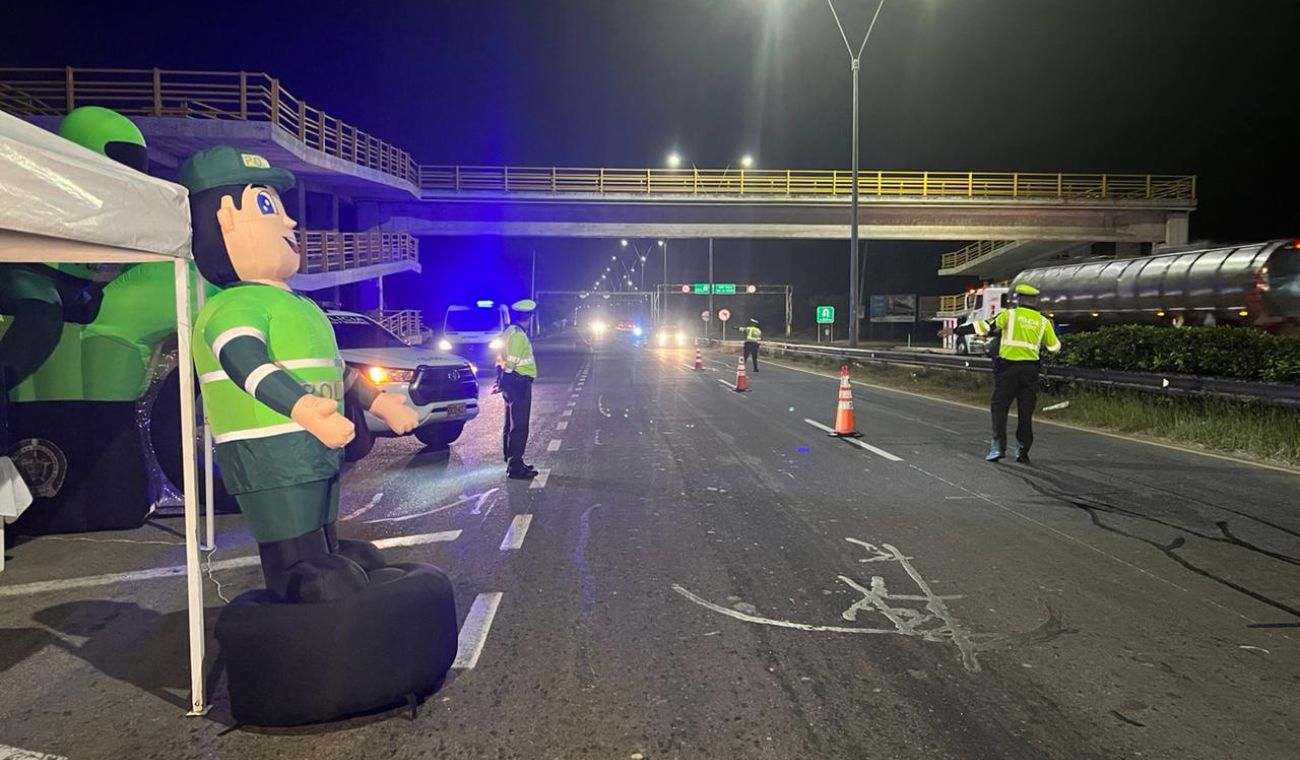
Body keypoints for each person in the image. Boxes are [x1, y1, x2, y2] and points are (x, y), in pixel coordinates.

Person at [939, 283, 1060, 463]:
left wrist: (956, 330)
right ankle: (1023, 449)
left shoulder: (1009, 315)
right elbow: (1055, 347)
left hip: (1007, 370)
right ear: (1034, 301)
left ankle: (998, 447)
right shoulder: (1043, 322)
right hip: (1030, 371)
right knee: (1025, 413)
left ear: (1019, 300)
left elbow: (984, 326)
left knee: (999, 408)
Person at [500, 299, 539, 480]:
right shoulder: (519, 336)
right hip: (519, 382)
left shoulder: (509, 332)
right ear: (529, 317)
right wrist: (507, 379)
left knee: (511, 423)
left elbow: (500, 358)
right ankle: (515, 465)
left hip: (511, 381)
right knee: (520, 425)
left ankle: (512, 459)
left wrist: (501, 380)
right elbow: (512, 362)